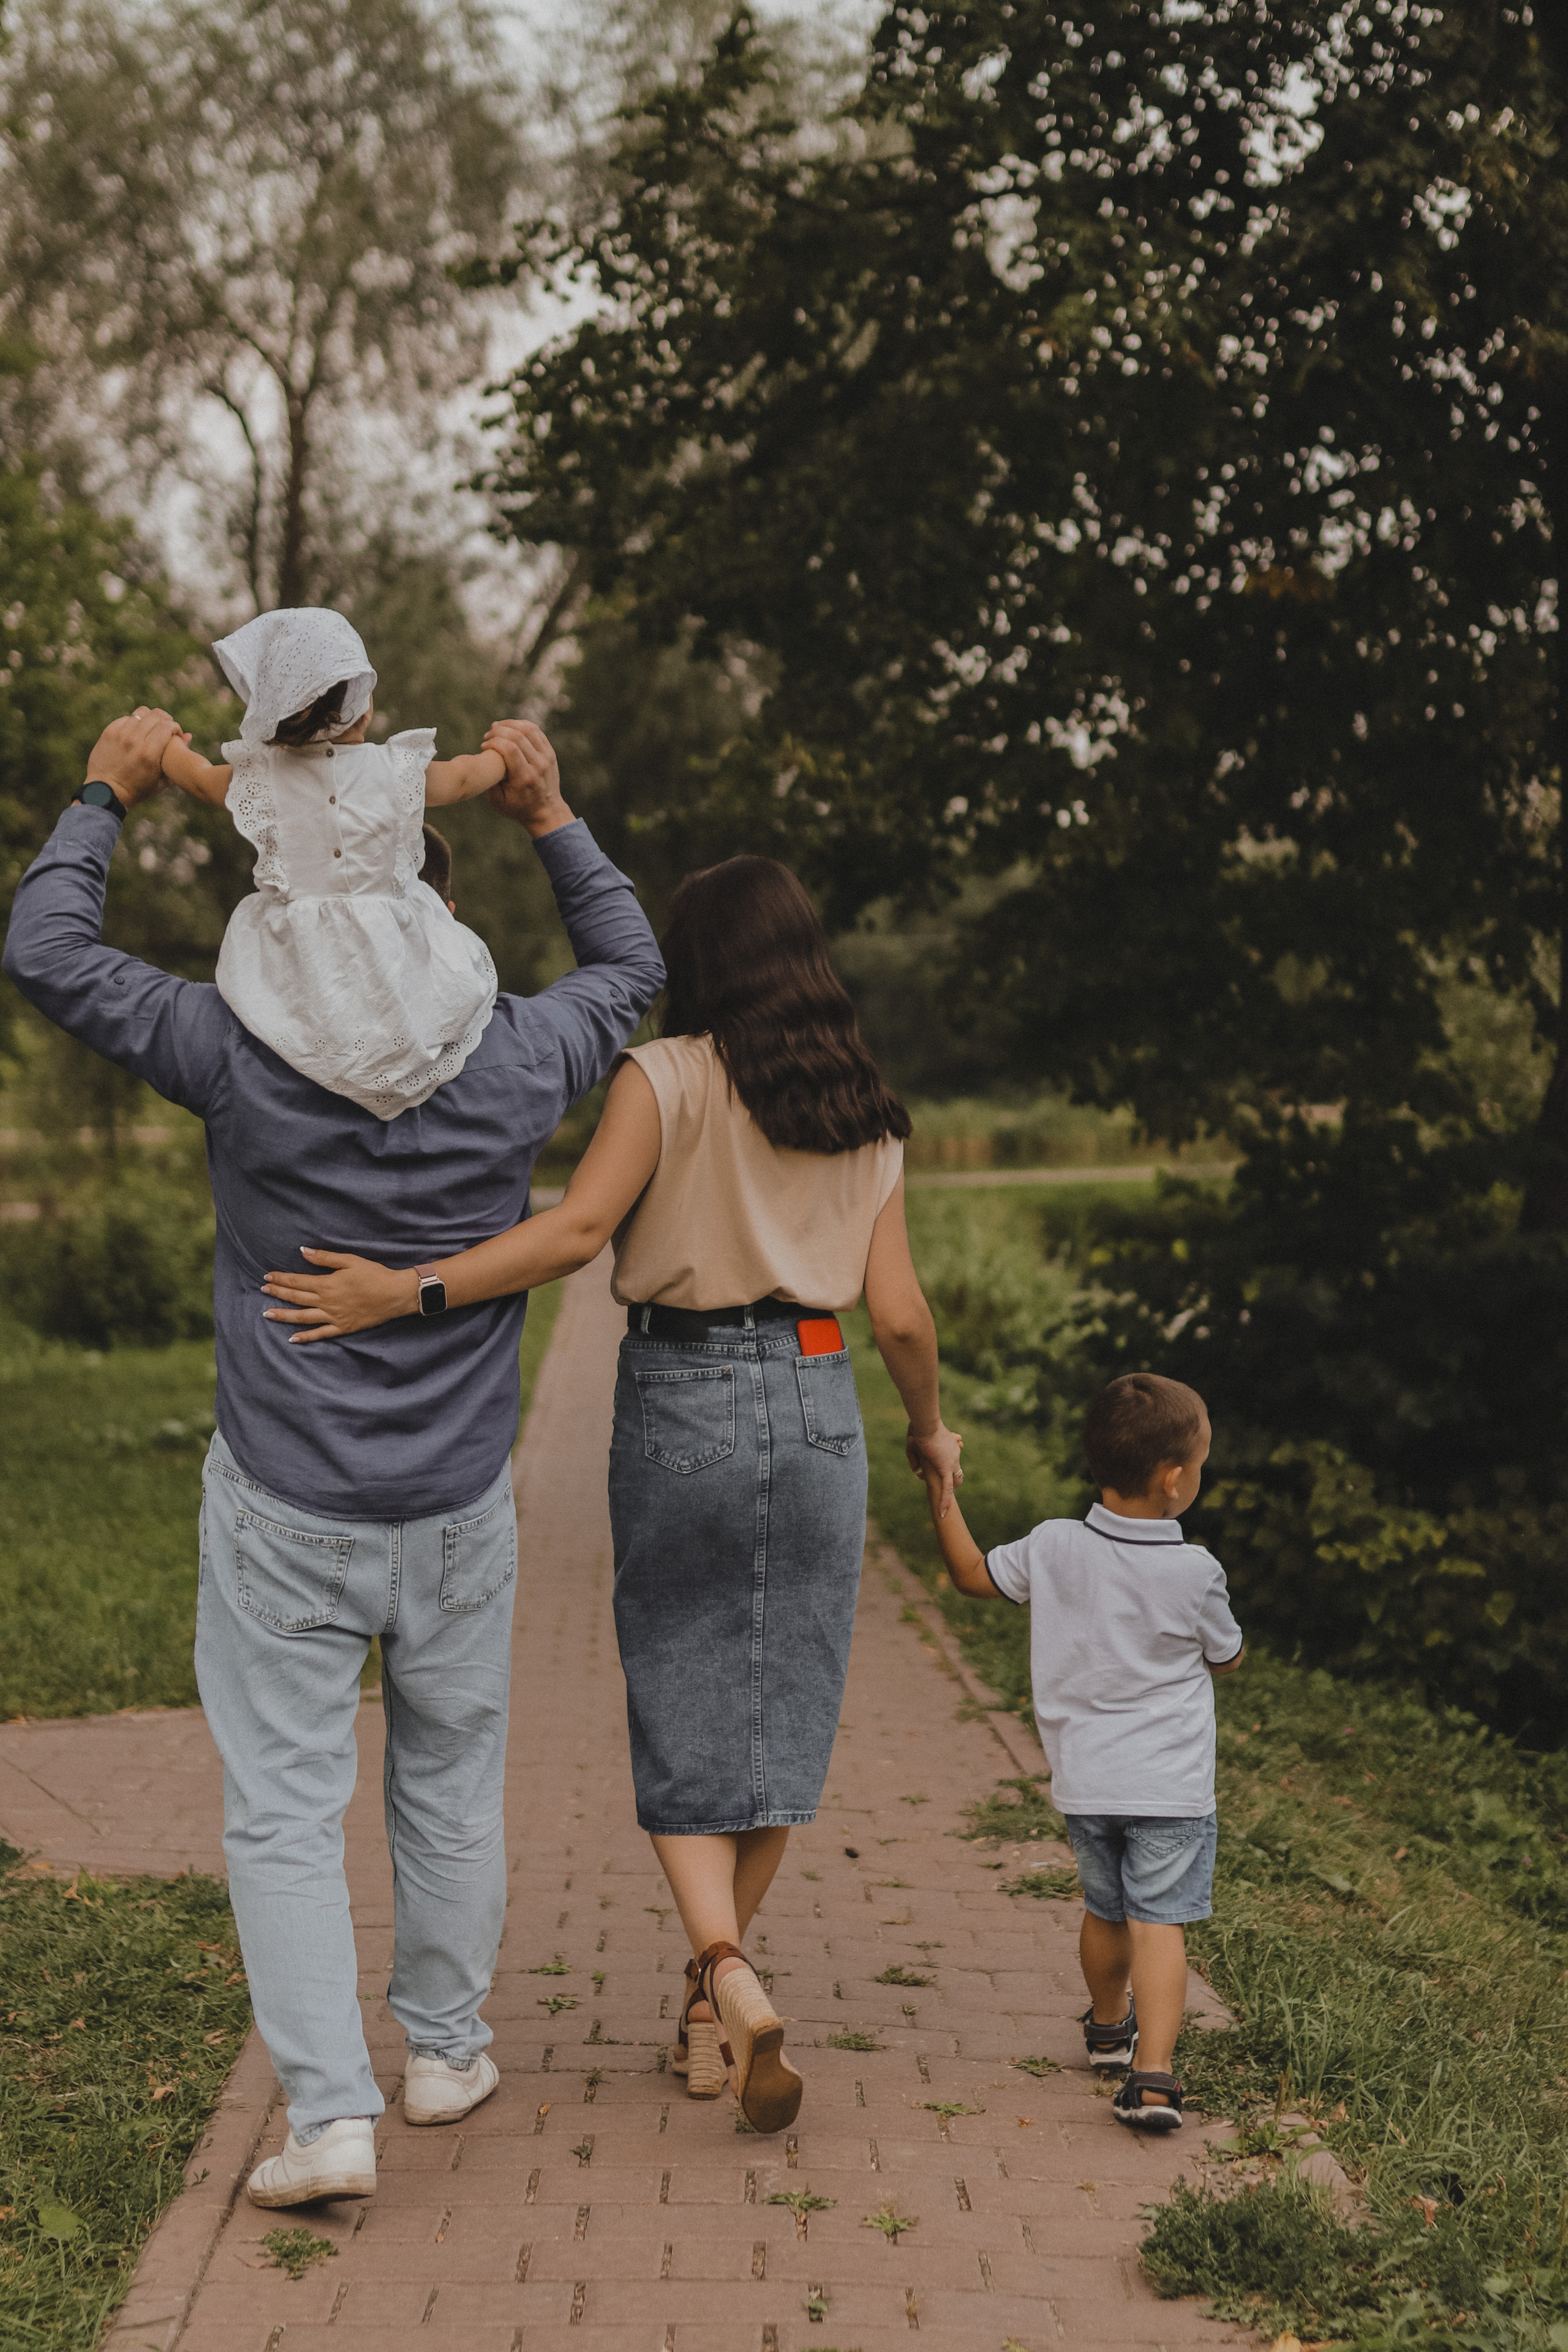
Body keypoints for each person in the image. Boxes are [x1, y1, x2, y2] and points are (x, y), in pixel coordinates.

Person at [2, 706, 664, 2206]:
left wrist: (103, 791)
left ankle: (329, 2116)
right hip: (454, 1501)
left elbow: (47, 952)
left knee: (284, 1807)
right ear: (437, 906)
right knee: (449, 1777)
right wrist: (549, 809)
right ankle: (441, 2050)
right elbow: (629, 965)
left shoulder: (235, 1050)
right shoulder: (515, 1053)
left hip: (283, 1501)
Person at [255, 854, 967, 2133]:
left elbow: (576, 1236)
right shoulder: (867, 1109)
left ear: (696, 962)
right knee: (782, 1714)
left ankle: (724, 1973)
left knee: (680, 1686)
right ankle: (712, 2003)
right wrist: (929, 1435)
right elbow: (902, 1317)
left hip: (684, 1395)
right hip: (818, 1396)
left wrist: (403, 1288)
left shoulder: (663, 1077)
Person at [914, 1370, 1243, 2133]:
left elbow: (969, 1576)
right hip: (1168, 1786)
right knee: (1159, 1920)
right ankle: (1153, 2079)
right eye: (1199, 1463)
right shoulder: (1195, 1571)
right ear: (1173, 1480)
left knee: (1104, 1907)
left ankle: (1106, 2029)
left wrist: (943, 1486)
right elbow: (1226, 1656)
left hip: (1086, 1782)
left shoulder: (1054, 1545)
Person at [159, 605, 523, 1120]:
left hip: (302, 961)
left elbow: (197, 778)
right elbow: (463, 778)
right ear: (361, 702)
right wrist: (505, 757)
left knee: (304, 1034)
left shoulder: (261, 780)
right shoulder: (393, 769)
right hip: (394, 952)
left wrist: (166, 747)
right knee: (419, 1013)